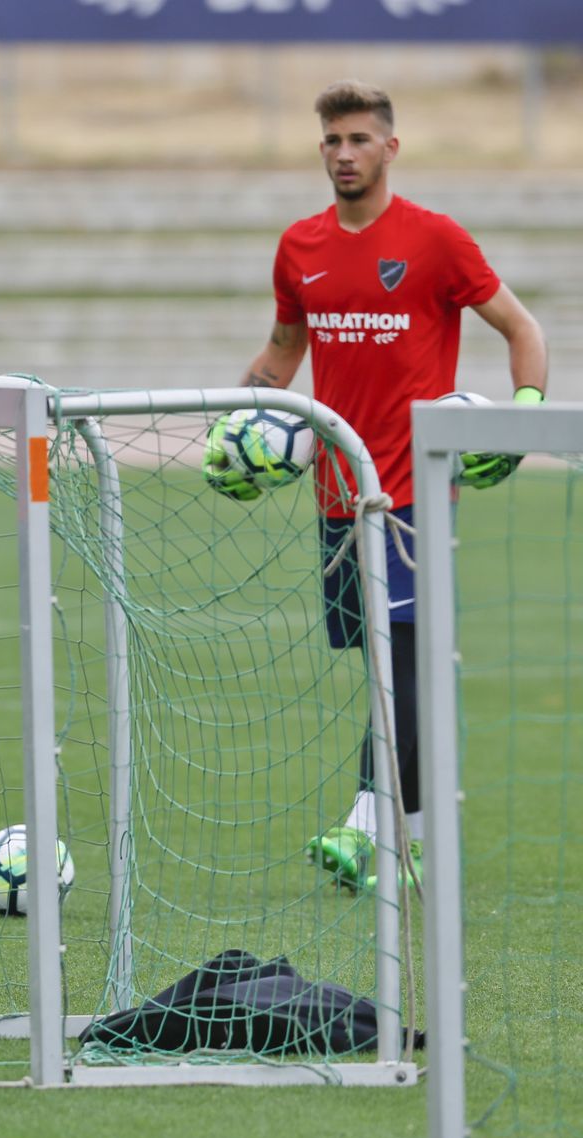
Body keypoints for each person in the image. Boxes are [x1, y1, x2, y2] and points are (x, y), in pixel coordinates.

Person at [228, 79, 546, 893]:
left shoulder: (435, 241)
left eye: (359, 140)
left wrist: (522, 415)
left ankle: (377, 833)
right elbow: (280, 353)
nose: (344, 154)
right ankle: (403, 837)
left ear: (390, 148)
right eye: (332, 140)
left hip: (410, 498)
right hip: (334, 493)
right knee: (376, 663)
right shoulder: (299, 248)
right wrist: (237, 431)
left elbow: (522, 328)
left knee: (398, 666)